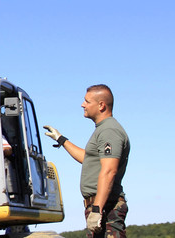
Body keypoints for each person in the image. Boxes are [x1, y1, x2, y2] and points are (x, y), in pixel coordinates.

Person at [44, 84, 130, 238]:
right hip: (101, 205)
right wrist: (61, 139)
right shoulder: (102, 130)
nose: (83, 104)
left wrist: (97, 209)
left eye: (87, 101)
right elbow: (88, 159)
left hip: (106, 207)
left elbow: (109, 171)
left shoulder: (109, 130)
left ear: (101, 105)